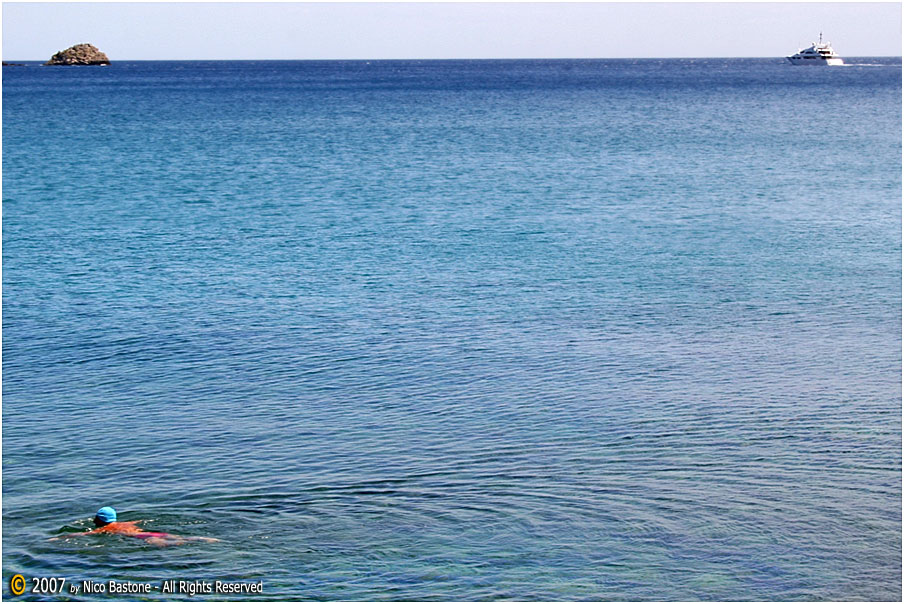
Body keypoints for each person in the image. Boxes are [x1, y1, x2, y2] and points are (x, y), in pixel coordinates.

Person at [52, 507, 219, 546]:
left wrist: (60, 537)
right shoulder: (126, 523)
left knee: (172, 545)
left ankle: (184, 543)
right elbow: (139, 521)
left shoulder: (105, 529)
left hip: (144, 538)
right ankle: (203, 539)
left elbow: (82, 535)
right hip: (153, 532)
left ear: (100, 520)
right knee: (182, 538)